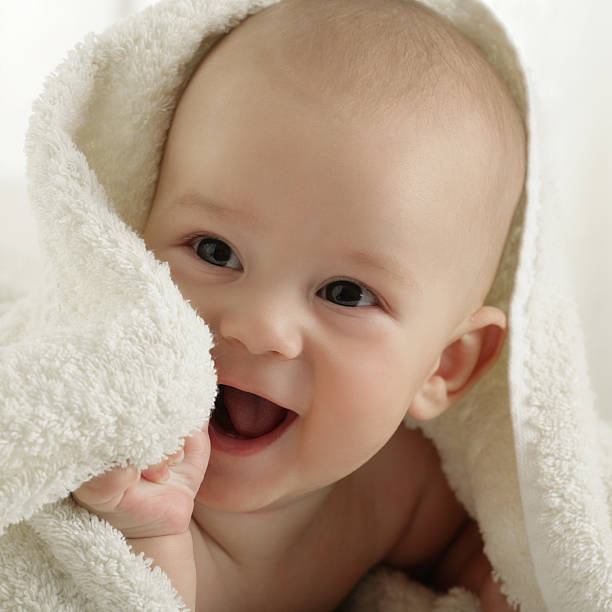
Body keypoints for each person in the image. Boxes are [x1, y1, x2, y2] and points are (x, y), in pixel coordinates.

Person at [72, 0, 526, 609]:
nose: (260, 328)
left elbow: (483, 550)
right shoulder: (133, 479)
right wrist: (147, 531)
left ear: (443, 365)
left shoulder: (392, 488)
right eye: (215, 249)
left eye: (345, 293)